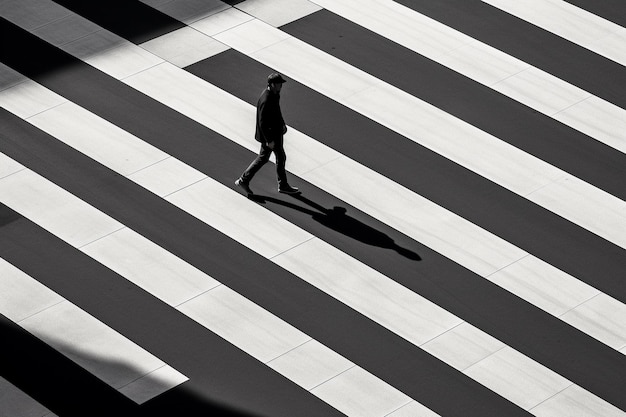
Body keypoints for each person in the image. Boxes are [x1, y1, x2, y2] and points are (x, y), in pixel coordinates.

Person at [235, 72, 299, 196]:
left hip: (275, 132)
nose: (281, 86)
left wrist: (282, 124)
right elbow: (262, 122)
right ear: (272, 84)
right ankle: (281, 185)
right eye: (279, 84)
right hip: (270, 135)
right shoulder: (266, 99)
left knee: (267, 158)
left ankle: (245, 180)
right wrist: (269, 140)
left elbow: (277, 111)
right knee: (275, 157)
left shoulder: (275, 94)